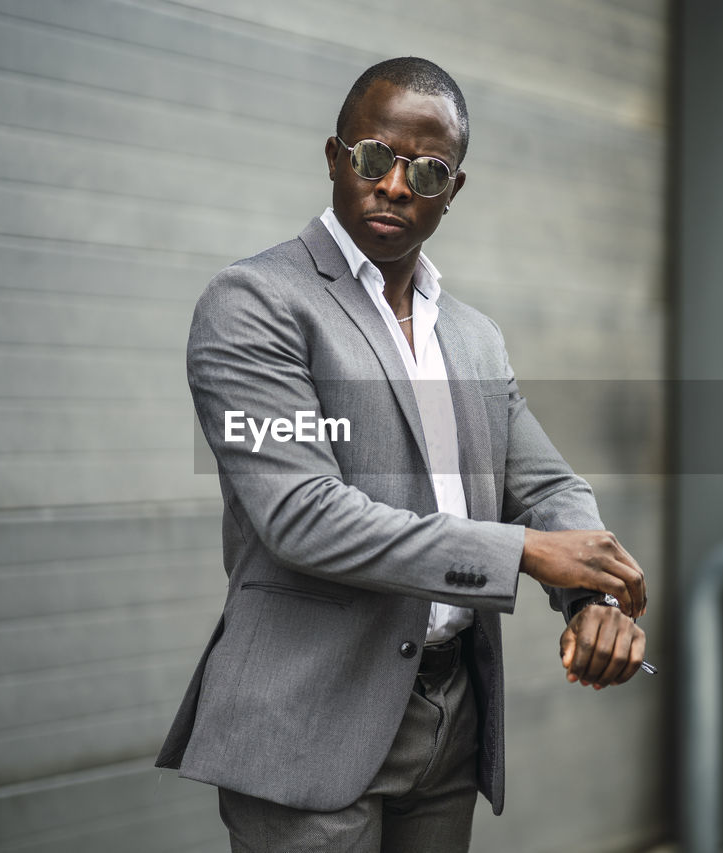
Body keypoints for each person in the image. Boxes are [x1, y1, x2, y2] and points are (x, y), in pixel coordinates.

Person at [155, 56, 649, 853]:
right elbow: (301, 516)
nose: (393, 184)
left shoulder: (473, 337)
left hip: (448, 717)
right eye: (374, 158)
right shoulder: (256, 305)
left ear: (454, 191)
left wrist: (594, 597)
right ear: (335, 158)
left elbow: (548, 484)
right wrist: (526, 552)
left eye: (427, 170)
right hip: (307, 721)